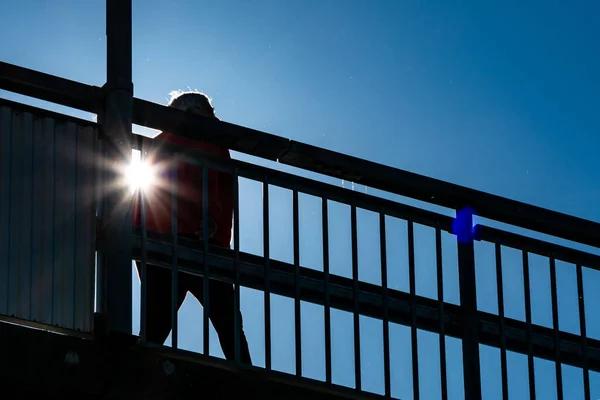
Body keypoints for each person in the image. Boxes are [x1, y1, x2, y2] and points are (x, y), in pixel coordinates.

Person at [132, 90, 252, 365]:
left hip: (168, 240)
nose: (191, 113)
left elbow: (142, 193)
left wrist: (138, 238)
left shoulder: (164, 143)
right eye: (186, 108)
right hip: (191, 241)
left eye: (196, 108)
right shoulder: (209, 142)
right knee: (224, 318)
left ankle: (137, 366)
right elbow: (214, 185)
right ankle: (245, 375)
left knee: (161, 320)